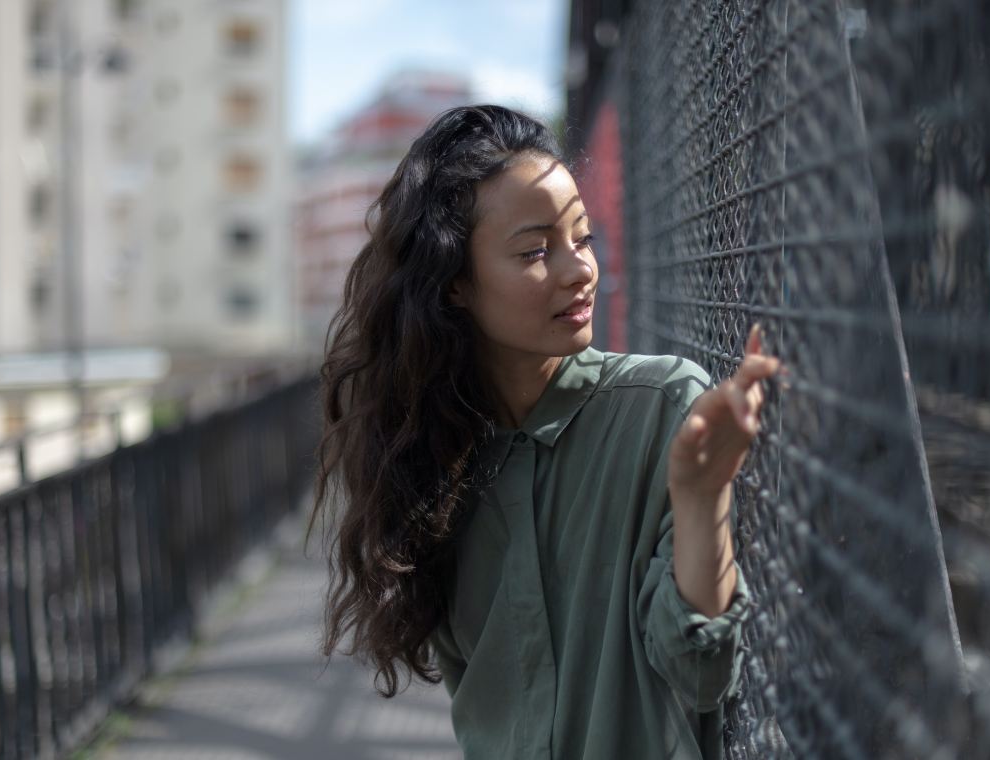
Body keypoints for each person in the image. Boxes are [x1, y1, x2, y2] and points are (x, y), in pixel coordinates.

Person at [310, 105, 779, 759]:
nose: (578, 269)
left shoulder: (663, 407)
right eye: (535, 250)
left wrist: (703, 499)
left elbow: (701, 675)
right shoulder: (432, 464)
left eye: (582, 238)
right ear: (454, 286)